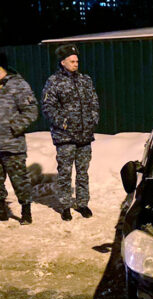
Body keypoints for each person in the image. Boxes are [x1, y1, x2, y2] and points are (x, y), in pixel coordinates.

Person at [0, 52, 39, 225]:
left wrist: (13, 127)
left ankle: (26, 212)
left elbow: (31, 110)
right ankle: (0, 211)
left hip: (12, 145)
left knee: (19, 181)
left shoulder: (18, 85)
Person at [41, 44, 100, 221]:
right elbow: (47, 106)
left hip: (84, 136)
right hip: (65, 137)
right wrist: (64, 123)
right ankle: (65, 205)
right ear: (63, 62)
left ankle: (82, 203)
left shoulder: (85, 80)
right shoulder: (54, 82)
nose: (76, 63)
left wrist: (93, 121)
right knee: (65, 172)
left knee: (83, 172)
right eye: (72, 61)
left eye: (77, 61)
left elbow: (94, 103)